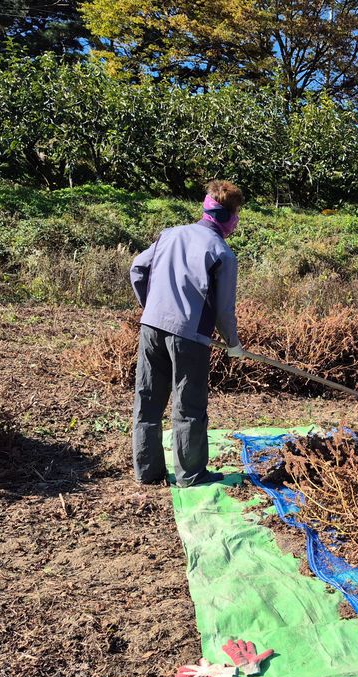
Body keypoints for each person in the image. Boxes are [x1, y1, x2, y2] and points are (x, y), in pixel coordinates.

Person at [130, 179, 246, 487]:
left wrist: (152, 306)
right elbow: (222, 312)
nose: (236, 222)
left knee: (148, 398)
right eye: (236, 215)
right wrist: (233, 344)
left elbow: (137, 269)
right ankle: (190, 474)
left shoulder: (171, 234)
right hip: (189, 338)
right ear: (230, 217)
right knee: (189, 404)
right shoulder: (222, 252)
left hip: (151, 326)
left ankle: (147, 471)